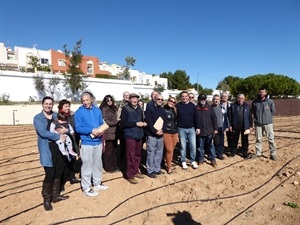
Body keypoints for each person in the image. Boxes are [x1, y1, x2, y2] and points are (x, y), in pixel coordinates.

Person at [33, 96, 69, 211]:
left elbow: (65, 125)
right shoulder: (38, 118)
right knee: (50, 173)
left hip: (59, 147)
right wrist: (58, 135)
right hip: (47, 148)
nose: (48, 106)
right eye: (46, 103)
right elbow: (43, 133)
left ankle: (55, 196)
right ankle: (46, 199)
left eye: (50, 104)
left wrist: (65, 130)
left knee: (58, 171)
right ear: (42, 104)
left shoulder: (55, 115)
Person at [74, 91, 109, 197]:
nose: (85, 102)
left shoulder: (97, 110)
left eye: (87, 100)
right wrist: (91, 130)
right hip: (87, 143)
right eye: (83, 100)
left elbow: (101, 123)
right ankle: (86, 187)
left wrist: (101, 130)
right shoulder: (78, 113)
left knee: (98, 163)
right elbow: (78, 128)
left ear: (92, 100)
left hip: (98, 141)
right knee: (87, 165)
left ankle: (97, 183)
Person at [120, 93, 147, 184]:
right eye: (133, 99)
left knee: (138, 154)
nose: (135, 100)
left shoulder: (139, 109)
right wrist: (136, 124)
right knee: (130, 155)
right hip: (130, 135)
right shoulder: (125, 109)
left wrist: (144, 123)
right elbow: (123, 123)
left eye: (136, 99)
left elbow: (142, 120)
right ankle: (129, 174)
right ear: (130, 100)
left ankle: (135, 171)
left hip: (139, 135)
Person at [57, 99, 81, 191]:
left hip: (73, 140)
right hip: (63, 142)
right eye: (65, 106)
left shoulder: (72, 116)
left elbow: (74, 126)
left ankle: (71, 177)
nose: (67, 108)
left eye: (68, 106)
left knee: (73, 159)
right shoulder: (59, 116)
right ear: (61, 107)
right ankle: (61, 183)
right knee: (63, 162)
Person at [251, 87, 277, 160]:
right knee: (258, 139)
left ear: (265, 93)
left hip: (268, 124)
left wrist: (267, 118)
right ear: (259, 93)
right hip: (258, 124)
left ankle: (273, 154)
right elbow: (253, 112)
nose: (262, 93)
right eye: (260, 92)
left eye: (263, 92)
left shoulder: (270, 102)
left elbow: (273, 111)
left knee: (271, 139)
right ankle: (258, 153)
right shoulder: (255, 102)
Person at [176, 91, 198, 170]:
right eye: (183, 96)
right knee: (183, 147)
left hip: (191, 129)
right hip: (181, 129)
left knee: (193, 146)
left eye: (186, 96)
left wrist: (197, 127)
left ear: (188, 97)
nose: (184, 98)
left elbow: (196, 118)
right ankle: (183, 161)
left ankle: (192, 161)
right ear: (180, 97)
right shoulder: (177, 106)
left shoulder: (192, 106)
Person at [145, 93, 166, 178]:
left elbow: (165, 122)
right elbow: (149, 122)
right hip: (151, 134)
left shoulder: (162, 110)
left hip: (160, 134)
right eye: (158, 99)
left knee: (159, 152)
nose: (160, 101)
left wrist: (162, 130)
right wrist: (155, 131)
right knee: (151, 152)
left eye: (161, 99)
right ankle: (150, 170)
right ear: (154, 99)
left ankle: (157, 169)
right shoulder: (150, 108)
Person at [196, 94, 218, 167]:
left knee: (211, 145)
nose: (203, 101)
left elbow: (214, 118)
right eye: (201, 99)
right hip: (200, 132)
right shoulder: (196, 108)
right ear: (199, 100)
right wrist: (197, 127)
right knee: (200, 146)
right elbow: (194, 120)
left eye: (204, 99)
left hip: (209, 131)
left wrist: (215, 128)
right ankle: (200, 159)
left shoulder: (210, 108)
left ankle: (212, 159)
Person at [228, 94, 253, 158]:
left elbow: (250, 117)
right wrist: (230, 125)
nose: (240, 100)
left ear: (244, 99)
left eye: (242, 98)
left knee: (245, 140)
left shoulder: (247, 106)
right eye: (239, 98)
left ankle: (245, 153)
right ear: (237, 98)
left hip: (245, 126)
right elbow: (229, 116)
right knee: (234, 139)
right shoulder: (233, 106)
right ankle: (233, 152)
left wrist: (250, 126)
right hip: (235, 125)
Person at [99, 95, 119, 173]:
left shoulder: (114, 108)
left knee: (114, 150)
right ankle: (108, 167)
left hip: (115, 132)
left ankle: (114, 165)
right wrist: (116, 122)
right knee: (109, 151)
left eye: (111, 100)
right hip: (108, 132)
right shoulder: (104, 109)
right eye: (107, 100)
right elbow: (106, 121)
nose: (109, 101)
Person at [163, 96, 178, 174]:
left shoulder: (174, 110)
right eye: (170, 101)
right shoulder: (163, 110)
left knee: (171, 149)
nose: (172, 103)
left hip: (175, 132)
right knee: (169, 150)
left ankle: (167, 161)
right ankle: (169, 167)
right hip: (166, 132)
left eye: (174, 102)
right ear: (167, 101)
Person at [211, 94, 229, 160]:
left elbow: (226, 117)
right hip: (214, 128)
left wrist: (226, 126)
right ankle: (214, 153)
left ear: (219, 100)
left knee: (221, 141)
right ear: (213, 100)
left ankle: (220, 153)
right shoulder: (211, 108)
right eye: (215, 99)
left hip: (221, 127)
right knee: (215, 141)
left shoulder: (222, 107)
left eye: (218, 99)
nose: (216, 101)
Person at [116, 91, 130, 169]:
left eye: (128, 95)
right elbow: (117, 114)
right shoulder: (120, 104)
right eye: (125, 95)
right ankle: (121, 161)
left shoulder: (132, 103)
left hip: (130, 126)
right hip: (121, 126)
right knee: (122, 145)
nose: (126, 96)